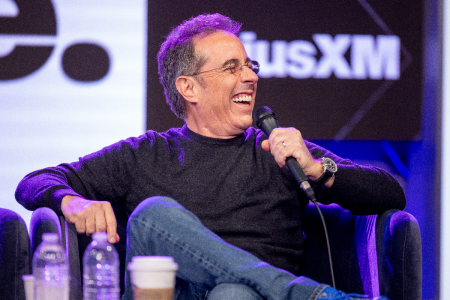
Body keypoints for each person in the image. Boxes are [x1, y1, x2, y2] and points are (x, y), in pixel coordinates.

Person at [16, 13, 405, 300]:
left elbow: (391, 194)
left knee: (232, 294)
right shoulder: (146, 153)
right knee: (154, 214)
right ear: (189, 88)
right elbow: (34, 182)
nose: (250, 77)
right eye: (231, 68)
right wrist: (70, 198)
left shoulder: (275, 149)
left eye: (250, 66)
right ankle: (311, 296)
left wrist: (319, 170)